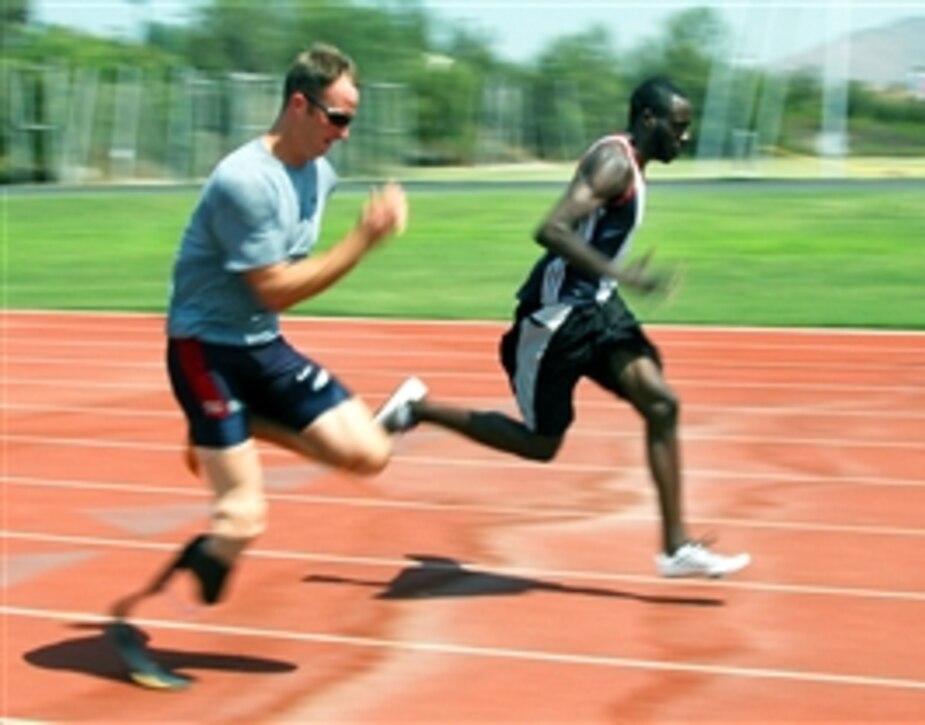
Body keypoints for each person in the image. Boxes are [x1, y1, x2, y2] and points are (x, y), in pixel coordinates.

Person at [108, 43, 426, 633]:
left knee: (372, 453)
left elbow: (273, 301)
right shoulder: (243, 181)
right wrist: (362, 240)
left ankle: (244, 423)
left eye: (352, 119)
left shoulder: (321, 175)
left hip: (261, 346)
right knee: (242, 520)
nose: (346, 133)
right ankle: (142, 622)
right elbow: (274, 289)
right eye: (338, 118)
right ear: (300, 106)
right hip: (206, 351)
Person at [382, 77, 751, 579]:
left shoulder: (631, 165)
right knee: (542, 443)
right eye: (678, 127)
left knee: (661, 403)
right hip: (557, 320)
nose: (684, 138)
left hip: (599, 309)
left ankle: (675, 547)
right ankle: (415, 408)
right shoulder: (615, 162)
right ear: (648, 119)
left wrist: (613, 282)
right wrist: (622, 272)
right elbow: (550, 229)